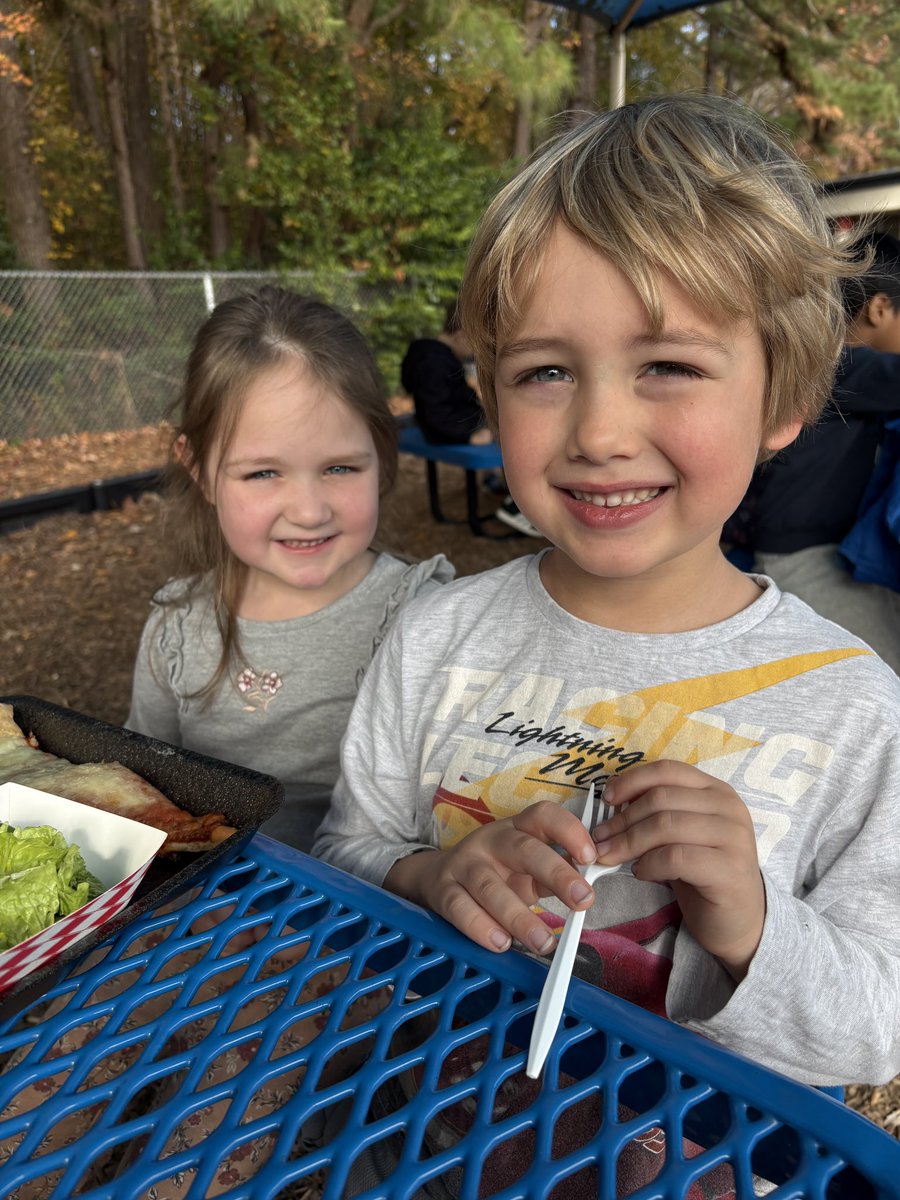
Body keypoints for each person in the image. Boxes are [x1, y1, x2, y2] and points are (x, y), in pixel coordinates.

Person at [314, 93, 900, 1193]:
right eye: (544, 371)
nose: (597, 432)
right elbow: (349, 848)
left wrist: (750, 925)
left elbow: (880, 1025)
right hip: (432, 1137)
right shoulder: (437, 633)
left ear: (786, 393)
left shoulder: (857, 708)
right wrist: (434, 872)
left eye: (669, 365)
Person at [127, 286, 454, 853]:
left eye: (339, 467)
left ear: (381, 457)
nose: (308, 511)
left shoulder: (424, 614)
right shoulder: (177, 627)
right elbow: (137, 791)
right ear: (199, 470)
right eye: (261, 474)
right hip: (206, 921)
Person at [723, 230, 900, 673]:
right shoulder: (838, 366)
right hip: (801, 554)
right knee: (884, 669)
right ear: (879, 309)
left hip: (813, 546)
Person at [401, 296, 543, 537]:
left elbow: (453, 400)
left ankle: (506, 487)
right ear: (463, 334)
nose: (477, 352)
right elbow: (434, 414)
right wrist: (469, 436)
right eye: (476, 343)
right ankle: (516, 505)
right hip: (449, 430)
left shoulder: (440, 358)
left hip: (457, 422)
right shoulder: (433, 363)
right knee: (520, 440)